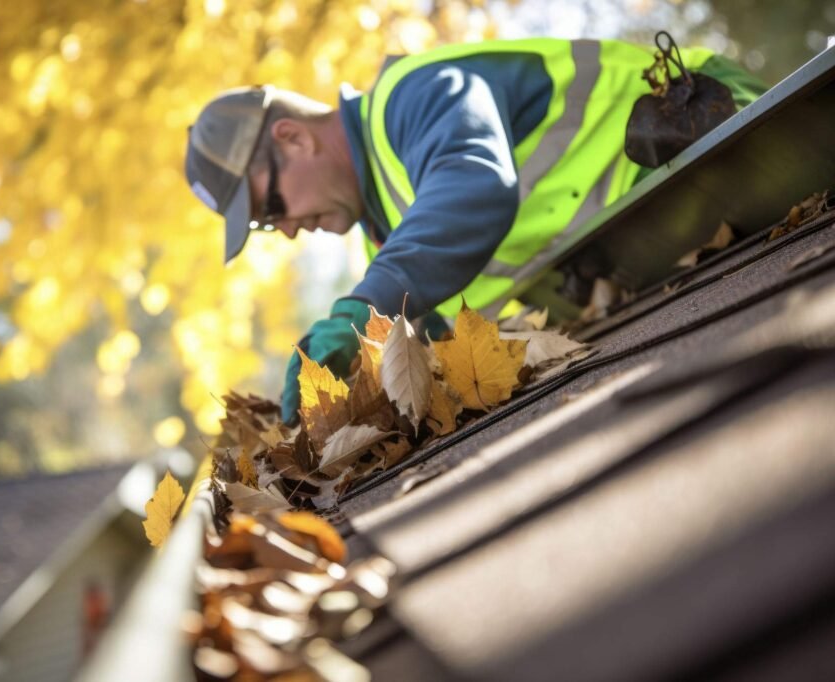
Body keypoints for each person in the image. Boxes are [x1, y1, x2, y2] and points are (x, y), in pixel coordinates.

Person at [184, 37, 766, 424]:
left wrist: (365, 307)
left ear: (294, 138)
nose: (283, 232)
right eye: (265, 226)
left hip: (722, 132)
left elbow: (473, 184)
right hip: (664, 251)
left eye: (271, 205)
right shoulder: (389, 240)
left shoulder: (412, 97)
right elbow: (439, 350)